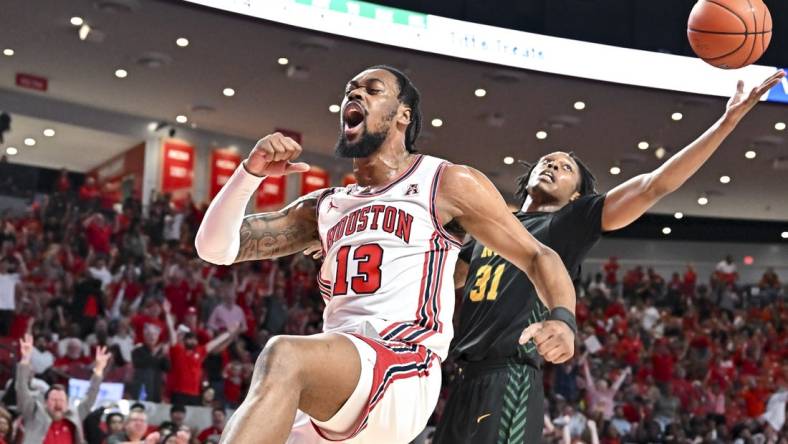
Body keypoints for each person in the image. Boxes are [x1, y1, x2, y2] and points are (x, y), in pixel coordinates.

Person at [195, 65, 576, 443]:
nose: (354, 95)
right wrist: (250, 173)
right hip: (342, 378)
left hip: (405, 366)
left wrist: (562, 318)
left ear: (403, 116)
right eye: (350, 89)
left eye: (372, 90)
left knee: (284, 355)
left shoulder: (444, 181)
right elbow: (214, 248)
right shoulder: (326, 206)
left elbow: (537, 256)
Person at [433, 69, 785, 444]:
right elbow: (441, 279)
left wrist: (726, 122)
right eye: (547, 161)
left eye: (565, 167)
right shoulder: (491, 230)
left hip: (510, 378)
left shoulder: (568, 222)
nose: (552, 165)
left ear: (576, 196)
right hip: (463, 378)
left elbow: (654, 185)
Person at [16, 333, 110, 444]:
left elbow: (90, 397)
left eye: (61, 400)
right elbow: (21, 388)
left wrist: (98, 370)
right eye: (54, 400)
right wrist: (25, 360)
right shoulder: (33, 413)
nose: (58, 404)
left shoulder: (74, 416)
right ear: (45, 403)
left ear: (67, 404)